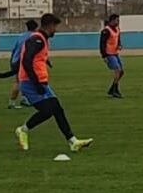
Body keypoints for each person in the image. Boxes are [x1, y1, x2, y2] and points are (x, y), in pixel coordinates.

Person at [14, 14, 93, 152]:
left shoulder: (42, 40)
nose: (55, 30)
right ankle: (22, 130)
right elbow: (26, 61)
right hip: (30, 83)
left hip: (40, 82)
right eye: (55, 27)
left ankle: (73, 142)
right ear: (49, 25)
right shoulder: (37, 39)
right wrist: (36, 83)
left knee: (57, 109)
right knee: (47, 111)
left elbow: (35, 58)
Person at [6, 19, 39, 109]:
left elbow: (14, 50)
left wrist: (12, 62)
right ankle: (12, 103)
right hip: (22, 62)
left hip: (15, 61)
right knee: (20, 81)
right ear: (36, 28)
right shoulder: (34, 37)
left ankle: (24, 99)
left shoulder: (21, 36)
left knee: (24, 81)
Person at [100, 14, 125, 98]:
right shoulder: (106, 31)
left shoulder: (117, 29)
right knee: (117, 70)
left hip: (115, 53)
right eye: (117, 20)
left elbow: (118, 39)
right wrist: (104, 56)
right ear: (112, 20)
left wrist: (119, 45)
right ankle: (115, 90)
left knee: (121, 71)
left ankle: (112, 89)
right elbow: (102, 44)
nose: (118, 22)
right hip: (109, 54)